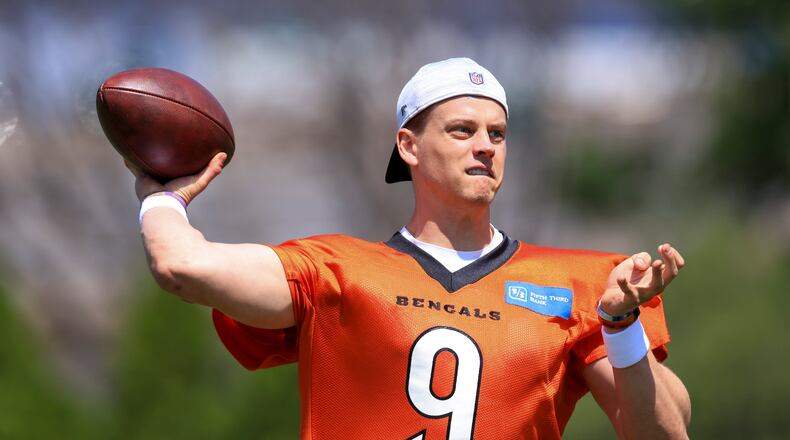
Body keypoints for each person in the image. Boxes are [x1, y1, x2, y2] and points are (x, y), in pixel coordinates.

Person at [127, 57, 690, 439]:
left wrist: (621, 325)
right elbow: (181, 265)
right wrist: (160, 198)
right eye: (462, 130)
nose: (485, 147)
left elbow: (663, 433)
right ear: (409, 146)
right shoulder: (334, 272)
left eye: (497, 134)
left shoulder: (582, 287)